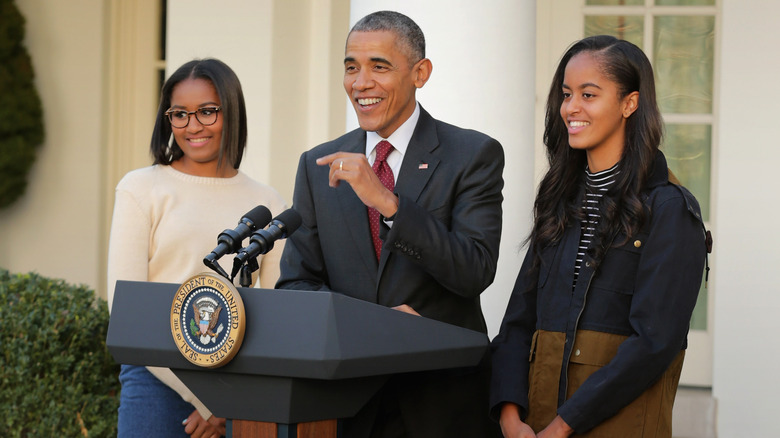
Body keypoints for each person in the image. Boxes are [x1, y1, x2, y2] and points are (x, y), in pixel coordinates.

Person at [276, 10, 504, 438]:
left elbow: (474, 270)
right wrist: (373, 326)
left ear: (420, 73)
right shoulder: (317, 165)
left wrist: (390, 204)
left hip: (441, 406)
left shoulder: (472, 155)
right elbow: (295, 285)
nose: (360, 82)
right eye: (351, 67)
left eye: (379, 67)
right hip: (346, 407)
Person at [489, 35, 710, 437]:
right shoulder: (559, 202)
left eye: (589, 95)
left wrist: (562, 426)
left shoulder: (670, 209)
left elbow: (654, 343)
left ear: (630, 103)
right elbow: (518, 323)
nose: (571, 107)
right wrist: (509, 417)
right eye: (567, 94)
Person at [107, 58, 287, 438]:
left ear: (231, 112)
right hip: (155, 381)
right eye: (179, 114)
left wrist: (231, 403)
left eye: (207, 112)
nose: (193, 127)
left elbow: (275, 313)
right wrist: (208, 403)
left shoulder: (267, 202)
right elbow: (126, 309)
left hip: (239, 388)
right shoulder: (141, 189)